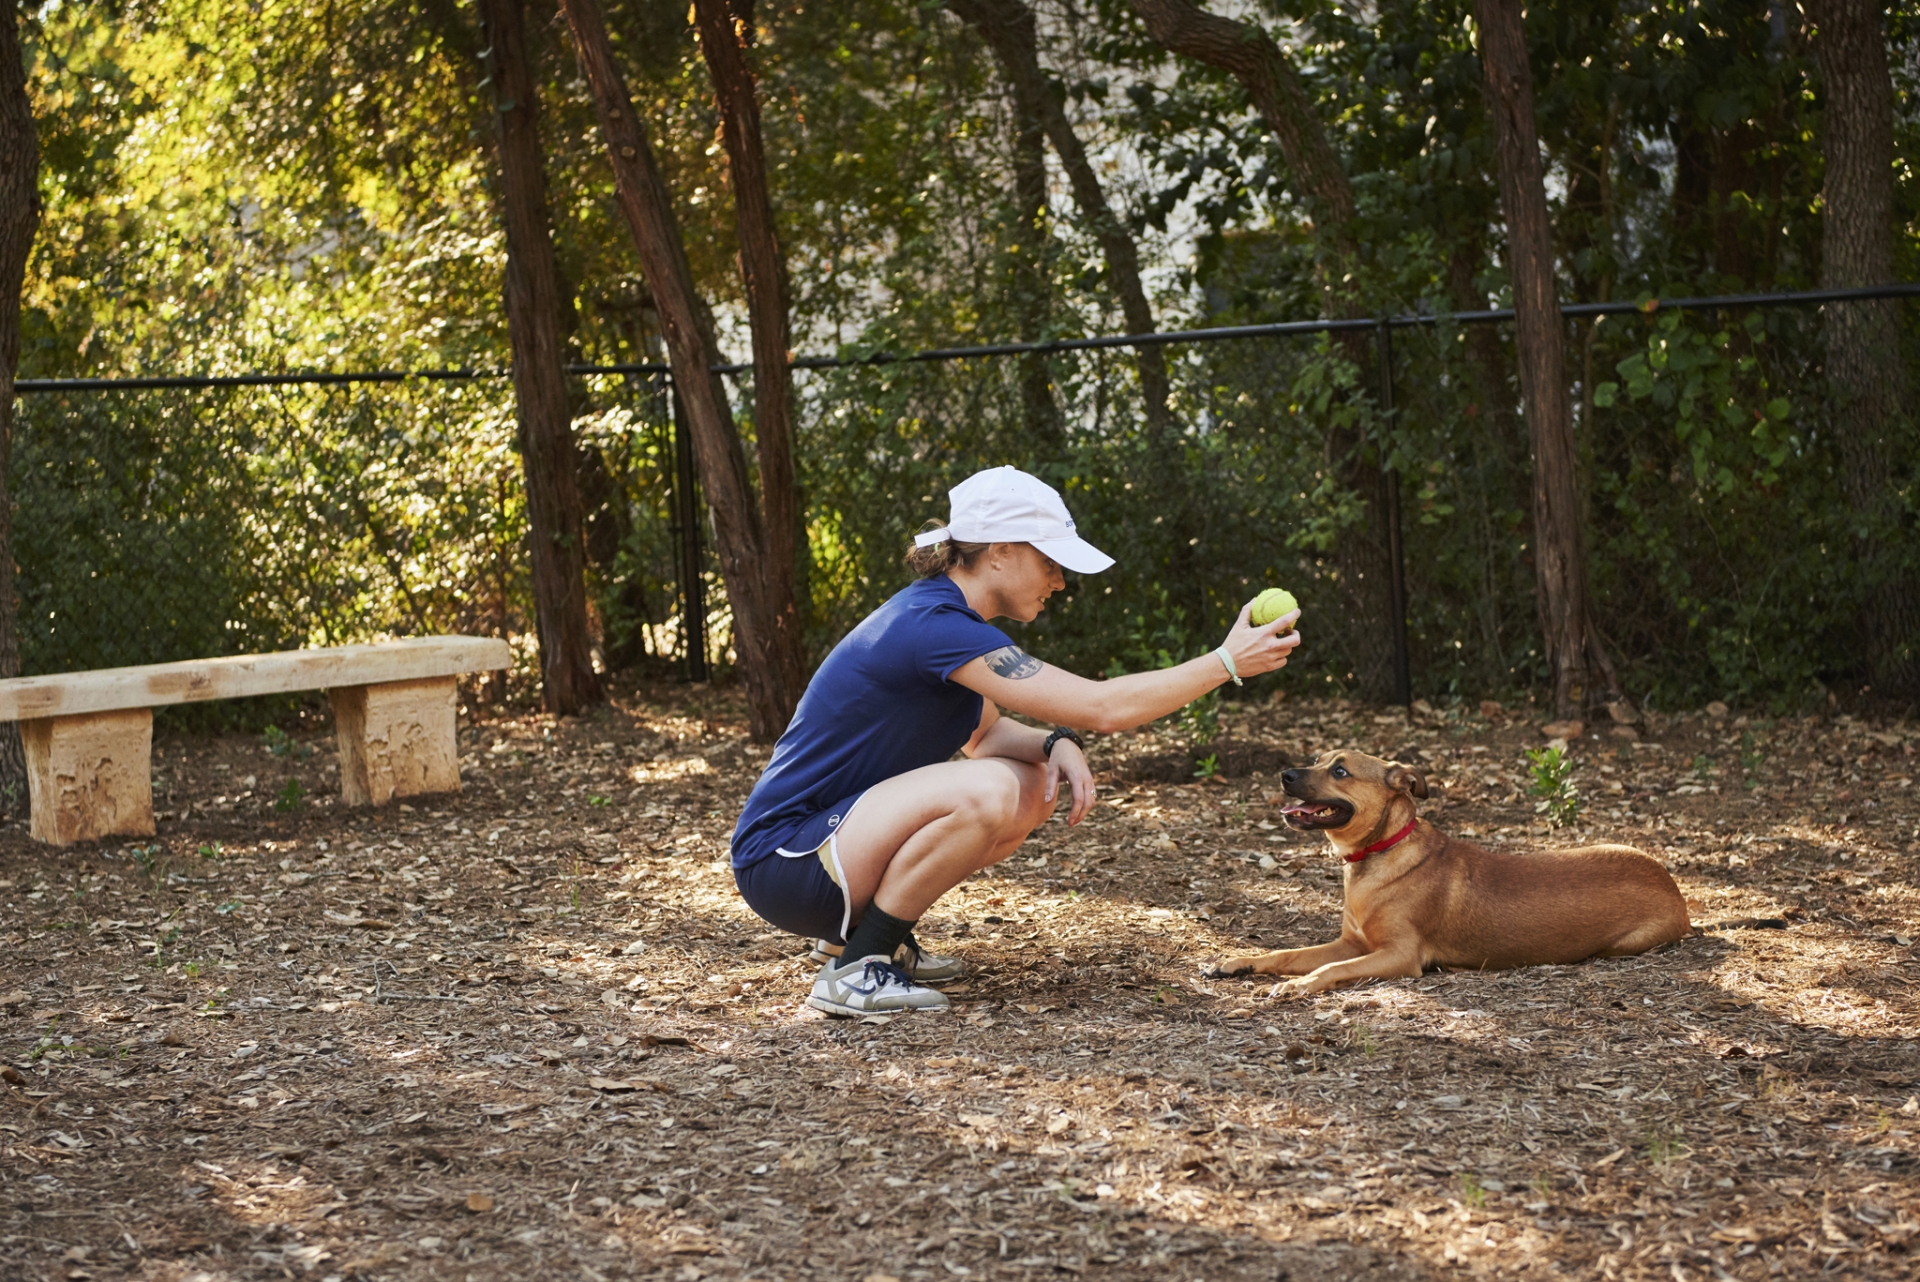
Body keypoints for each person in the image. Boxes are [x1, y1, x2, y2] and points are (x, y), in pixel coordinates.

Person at [729, 466, 1302, 1016]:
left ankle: (869, 937)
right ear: (999, 551)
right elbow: (1104, 707)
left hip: (823, 854)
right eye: (1049, 560)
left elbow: (985, 736)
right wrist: (1227, 662)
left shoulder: (951, 624)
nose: (1059, 579)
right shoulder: (934, 626)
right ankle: (858, 966)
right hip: (787, 858)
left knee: (1028, 785)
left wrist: (1055, 744)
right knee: (989, 792)